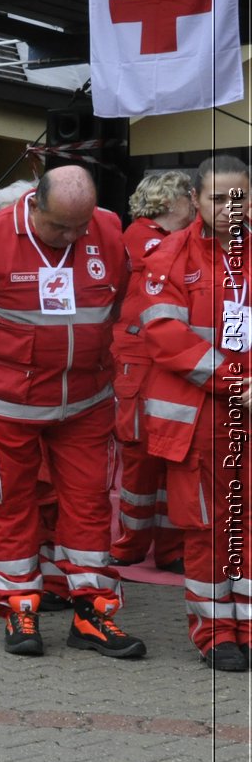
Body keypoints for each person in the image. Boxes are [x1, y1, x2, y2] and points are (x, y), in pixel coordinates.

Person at [0, 165, 142, 659]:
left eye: (79, 226)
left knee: (90, 502)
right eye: (59, 226)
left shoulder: (108, 230)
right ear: (33, 204)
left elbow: (114, 306)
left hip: (85, 405)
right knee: (8, 502)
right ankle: (19, 606)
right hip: (4, 406)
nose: (70, 236)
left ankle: (93, 613)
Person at [139, 153, 252, 671]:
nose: (231, 207)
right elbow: (165, 337)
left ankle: (248, 625)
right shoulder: (169, 256)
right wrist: (234, 380)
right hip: (201, 419)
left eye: (240, 196)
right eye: (217, 198)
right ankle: (215, 633)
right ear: (195, 202)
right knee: (207, 529)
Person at [109, 170, 194, 573]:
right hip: (140, 360)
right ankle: (130, 544)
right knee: (141, 456)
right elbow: (173, 261)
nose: (197, 204)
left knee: (171, 453)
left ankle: (171, 549)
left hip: (172, 359)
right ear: (170, 201)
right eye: (191, 197)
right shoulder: (142, 235)